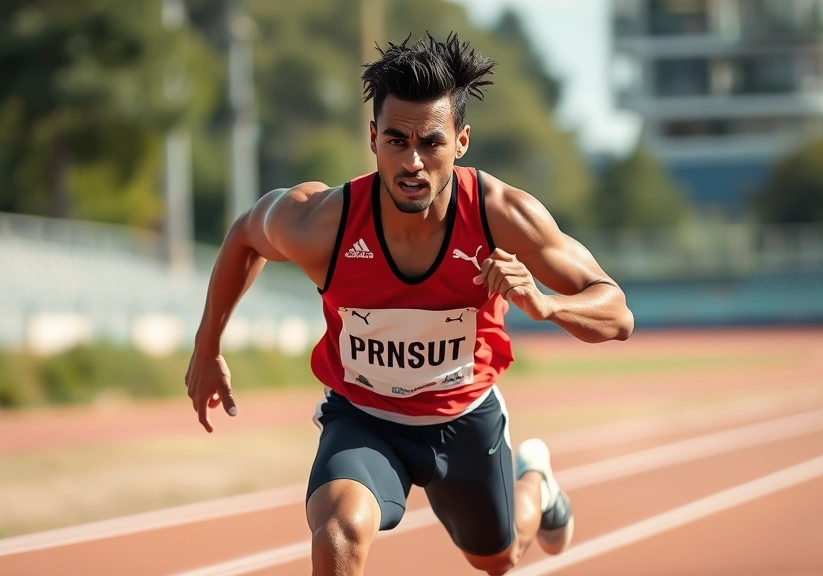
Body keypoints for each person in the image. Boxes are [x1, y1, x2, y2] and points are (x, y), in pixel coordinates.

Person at [185, 32, 634, 576]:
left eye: (431, 143)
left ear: (461, 142)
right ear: (373, 138)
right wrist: (207, 347)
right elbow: (245, 237)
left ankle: (536, 480)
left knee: (497, 560)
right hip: (365, 418)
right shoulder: (324, 224)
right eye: (396, 141)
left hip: (463, 419)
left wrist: (546, 306)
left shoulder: (502, 214)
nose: (413, 162)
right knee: (337, 532)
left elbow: (615, 311)